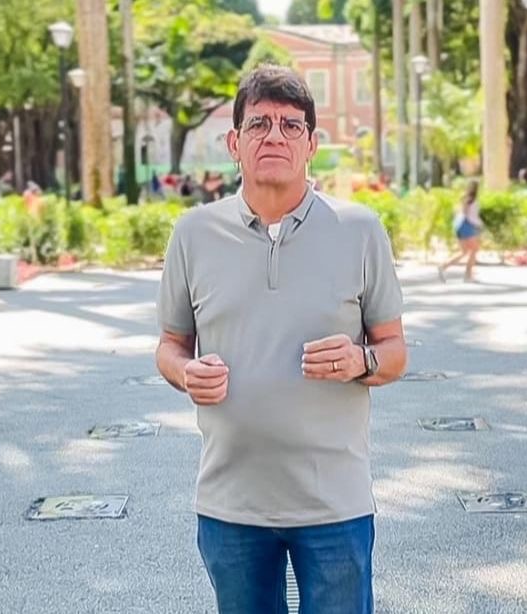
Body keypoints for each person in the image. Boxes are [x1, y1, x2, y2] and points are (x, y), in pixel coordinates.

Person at [155, 65, 407, 614]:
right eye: (259, 124)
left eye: (291, 126)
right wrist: (184, 372)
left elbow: (394, 352)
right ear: (234, 143)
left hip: (334, 505)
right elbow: (171, 345)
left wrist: (360, 359)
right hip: (231, 505)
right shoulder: (193, 234)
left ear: (312, 144)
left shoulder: (360, 230)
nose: (274, 136)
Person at [437, 179, 484, 283]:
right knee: (473, 250)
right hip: (467, 225)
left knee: (464, 252)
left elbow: (461, 213)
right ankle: (467, 276)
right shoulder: (471, 200)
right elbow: (468, 215)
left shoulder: (465, 198)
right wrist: (479, 224)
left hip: (461, 225)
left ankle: (443, 267)